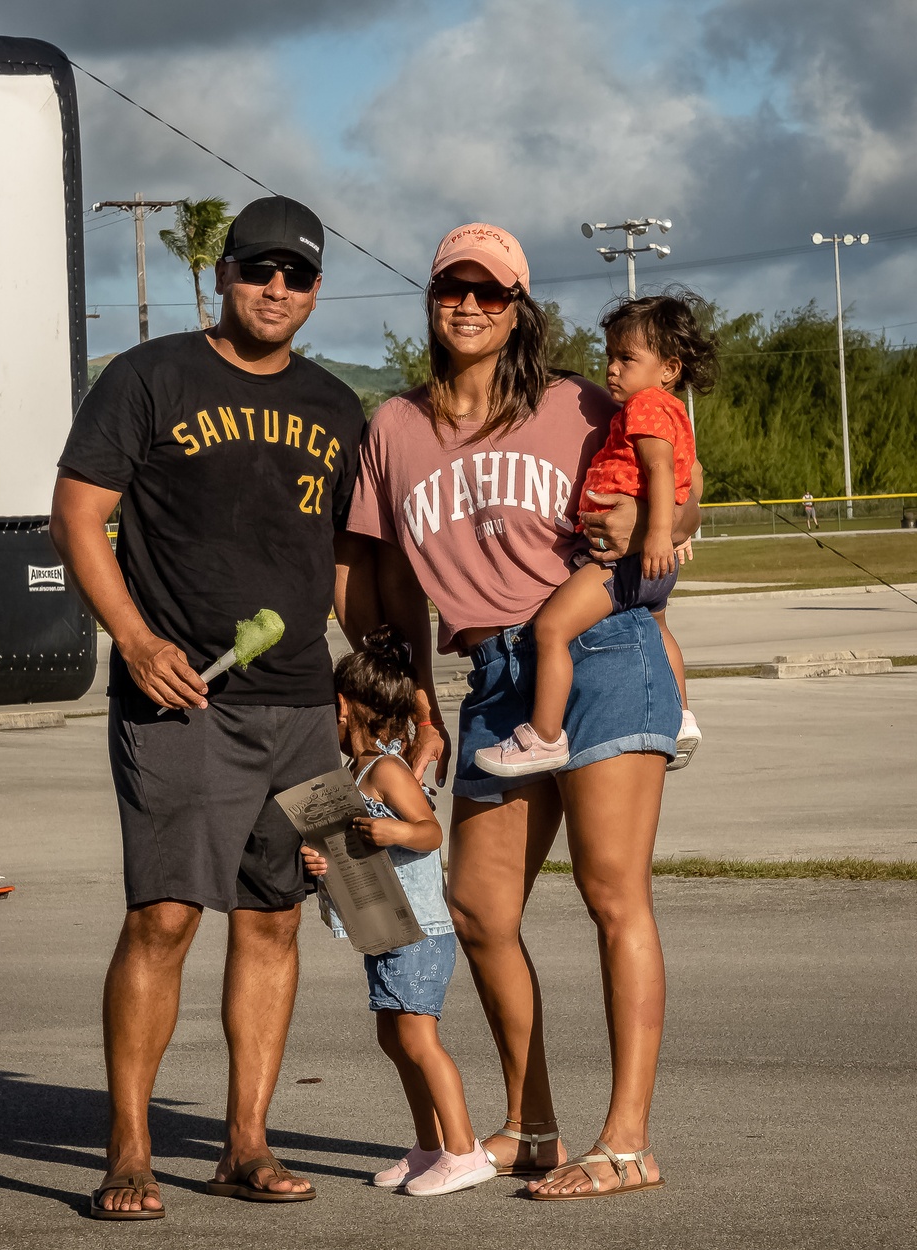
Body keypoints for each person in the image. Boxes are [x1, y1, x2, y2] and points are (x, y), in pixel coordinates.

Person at [337, 222, 701, 1202]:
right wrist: (416, 701)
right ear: (431, 298)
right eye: (452, 286)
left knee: (609, 888)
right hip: (493, 674)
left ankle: (625, 1140)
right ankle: (532, 1124)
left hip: (604, 648)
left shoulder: (579, 400)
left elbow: (680, 481)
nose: (468, 303)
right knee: (479, 908)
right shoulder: (392, 429)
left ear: (517, 306)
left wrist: (655, 520)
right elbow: (385, 582)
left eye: (490, 292)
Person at [49, 196, 367, 1218]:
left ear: (317, 290)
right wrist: (135, 641)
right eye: (259, 269)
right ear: (223, 274)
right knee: (165, 916)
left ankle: (245, 1143)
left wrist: (367, 677)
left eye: (298, 276)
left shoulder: (335, 403)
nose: (277, 289)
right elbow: (79, 512)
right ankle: (130, 1148)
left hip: (304, 705)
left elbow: (347, 557)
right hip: (180, 697)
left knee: (278, 917)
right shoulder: (148, 377)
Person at [474, 291, 717, 778]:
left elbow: (661, 469)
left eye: (627, 358)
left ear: (669, 368)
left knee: (551, 628)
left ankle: (544, 737)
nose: (612, 369)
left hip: (619, 562)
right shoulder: (669, 408)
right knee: (659, 628)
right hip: (652, 565)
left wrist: (655, 534)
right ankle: (682, 716)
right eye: (610, 356)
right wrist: (667, 534)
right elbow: (691, 471)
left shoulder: (646, 407)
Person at [300, 626, 497, 1196]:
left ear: (344, 708)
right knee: (394, 1038)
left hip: (419, 929)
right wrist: (321, 862)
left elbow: (430, 833)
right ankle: (429, 1147)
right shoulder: (352, 775)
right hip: (385, 925)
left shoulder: (386, 770)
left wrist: (394, 829)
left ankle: (465, 1151)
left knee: (418, 1039)